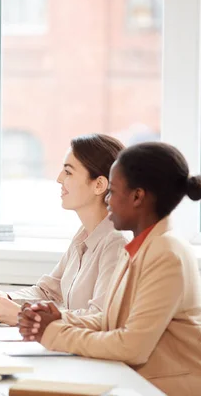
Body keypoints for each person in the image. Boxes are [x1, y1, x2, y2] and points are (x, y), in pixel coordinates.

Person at [18, 142, 201, 395]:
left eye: (113, 191)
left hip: (164, 388)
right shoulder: (143, 246)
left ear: (138, 197)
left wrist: (54, 332)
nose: (107, 200)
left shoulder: (166, 253)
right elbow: (111, 320)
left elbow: (131, 346)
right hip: (138, 381)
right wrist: (58, 318)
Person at [0, 134, 126, 325]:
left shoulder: (116, 244)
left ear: (99, 185)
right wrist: (4, 300)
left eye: (69, 172)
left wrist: (25, 316)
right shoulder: (83, 235)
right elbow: (48, 291)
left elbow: (100, 318)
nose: (59, 179)